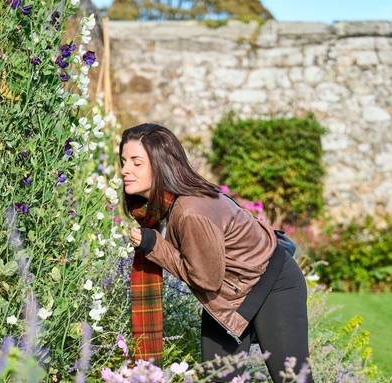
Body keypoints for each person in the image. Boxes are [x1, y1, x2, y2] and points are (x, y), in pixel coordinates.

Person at [120, 123, 314, 383]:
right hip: (228, 298)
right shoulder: (162, 207)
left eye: (136, 163)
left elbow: (206, 279)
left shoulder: (189, 210)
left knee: (292, 379)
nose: (125, 171)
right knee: (217, 378)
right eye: (123, 161)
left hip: (272, 285)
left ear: (161, 164)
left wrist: (155, 246)